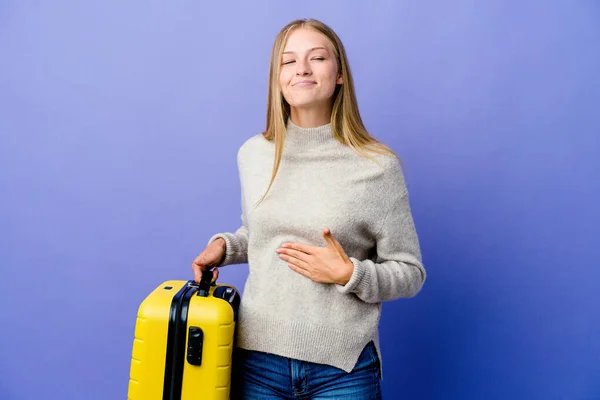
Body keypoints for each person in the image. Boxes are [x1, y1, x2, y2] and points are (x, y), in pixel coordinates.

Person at [191, 18, 426, 400]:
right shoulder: (253, 154)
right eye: (288, 61)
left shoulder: (377, 166)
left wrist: (350, 273)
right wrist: (226, 246)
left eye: (316, 58)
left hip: (342, 370)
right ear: (277, 78)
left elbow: (410, 273)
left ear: (339, 76)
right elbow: (262, 235)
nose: (301, 68)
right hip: (256, 361)